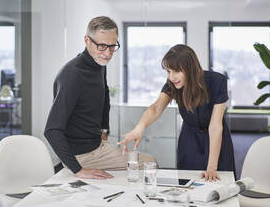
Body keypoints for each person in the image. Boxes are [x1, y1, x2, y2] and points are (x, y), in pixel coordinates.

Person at [44, 16, 156, 180]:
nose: (108, 53)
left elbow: (104, 99)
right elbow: (51, 130)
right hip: (81, 156)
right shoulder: (72, 75)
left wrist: (104, 130)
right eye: (102, 46)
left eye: (112, 47)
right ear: (86, 40)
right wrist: (78, 170)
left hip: (97, 145)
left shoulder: (98, 65)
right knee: (151, 163)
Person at [118, 44, 235, 181]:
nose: (172, 77)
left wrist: (212, 167)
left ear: (190, 69)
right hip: (189, 140)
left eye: (177, 71)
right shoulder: (173, 84)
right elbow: (156, 108)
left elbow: (215, 126)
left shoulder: (216, 81)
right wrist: (139, 128)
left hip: (216, 141)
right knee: (188, 185)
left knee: (219, 184)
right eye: (168, 71)